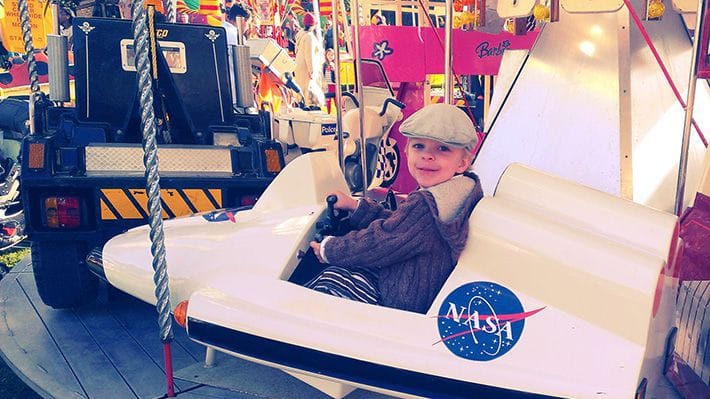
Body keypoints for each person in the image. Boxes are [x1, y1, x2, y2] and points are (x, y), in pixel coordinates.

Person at [305, 103, 484, 313]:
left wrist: (330, 249)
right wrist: (357, 207)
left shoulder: (428, 205)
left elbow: (382, 242)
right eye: (419, 146)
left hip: (402, 294)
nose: (427, 156)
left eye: (442, 148)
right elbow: (402, 227)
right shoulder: (457, 190)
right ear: (407, 150)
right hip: (420, 282)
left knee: (330, 281)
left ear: (463, 162)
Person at [294, 12, 325, 108]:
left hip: (300, 66)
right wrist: (312, 71)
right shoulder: (309, 37)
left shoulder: (301, 35)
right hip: (307, 68)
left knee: (302, 91)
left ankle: (301, 106)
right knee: (308, 93)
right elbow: (309, 54)